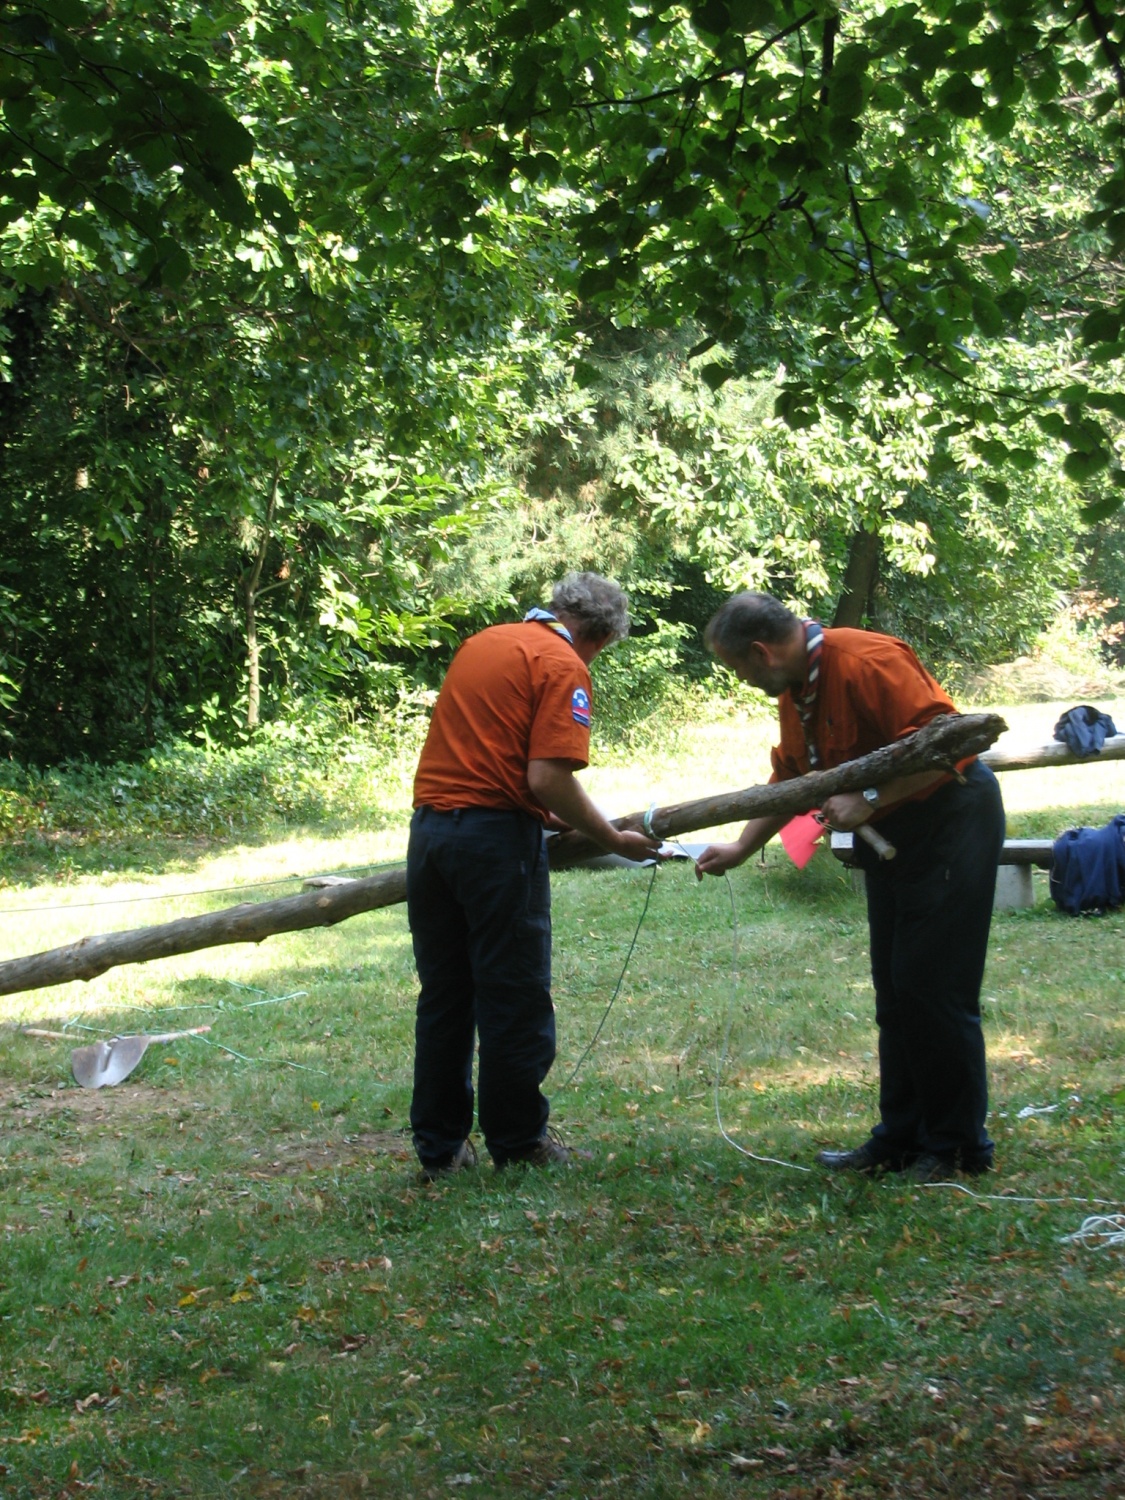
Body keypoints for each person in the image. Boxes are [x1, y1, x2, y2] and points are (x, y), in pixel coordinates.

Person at [695, 592, 1005, 1182]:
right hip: (892, 833)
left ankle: (959, 1148)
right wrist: (741, 847)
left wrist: (869, 799)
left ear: (761, 652)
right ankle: (902, 1139)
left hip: (949, 821)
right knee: (896, 989)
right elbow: (793, 778)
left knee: (933, 987)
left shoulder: (866, 659)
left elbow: (953, 742)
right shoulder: (798, 689)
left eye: (738, 668)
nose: (741, 679)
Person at [407, 572, 661, 1179]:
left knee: (445, 997)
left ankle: (439, 1152)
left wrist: (549, 816)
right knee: (513, 994)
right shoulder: (563, 663)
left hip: (431, 834)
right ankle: (519, 1145)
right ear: (598, 634)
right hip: (494, 845)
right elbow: (547, 777)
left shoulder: (485, 642)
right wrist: (612, 838)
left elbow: (494, 760)